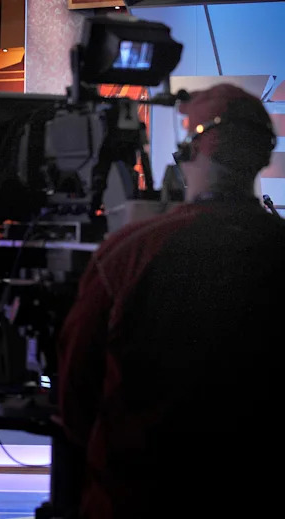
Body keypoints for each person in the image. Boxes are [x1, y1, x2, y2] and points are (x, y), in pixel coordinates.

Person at [57, 84, 285, 518]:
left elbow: (75, 391)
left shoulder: (129, 253)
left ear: (190, 150)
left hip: (134, 499)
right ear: (261, 157)